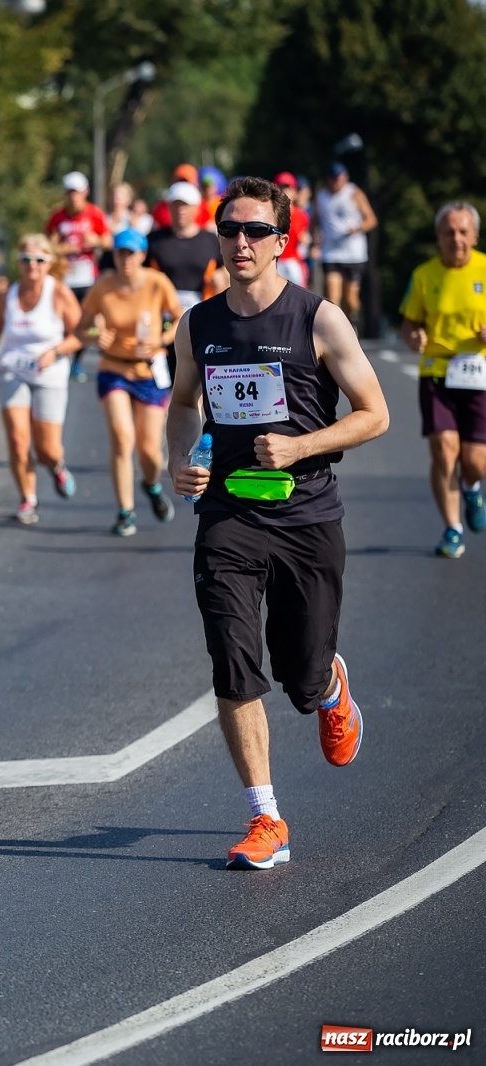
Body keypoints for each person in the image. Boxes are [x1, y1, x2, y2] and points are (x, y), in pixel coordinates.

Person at [168, 175, 388, 871]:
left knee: (301, 675)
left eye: (255, 230)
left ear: (281, 241)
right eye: (229, 229)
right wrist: (181, 459)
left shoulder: (318, 319)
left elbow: (375, 414)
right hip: (228, 511)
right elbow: (182, 402)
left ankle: (328, 687)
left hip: (305, 513)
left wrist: (300, 446)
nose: (240, 241)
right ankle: (266, 817)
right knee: (232, 658)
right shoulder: (198, 324)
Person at [78, 228, 183, 536]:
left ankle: (151, 485)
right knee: (123, 438)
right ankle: (126, 512)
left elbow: (180, 319)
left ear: (142, 255)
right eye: (120, 253)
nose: (126, 259)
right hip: (113, 369)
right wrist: (96, 336)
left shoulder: (157, 283)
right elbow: (81, 329)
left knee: (150, 451)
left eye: (132, 253)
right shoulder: (103, 287)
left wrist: (161, 340)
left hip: (149, 372)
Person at [398, 201, 486, 559]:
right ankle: (453, 528)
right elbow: (409, 325)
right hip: (437, 371)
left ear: (475, 236)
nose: (456, 239)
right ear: (438, 236)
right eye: (449, 232)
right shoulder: (424, 275)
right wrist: (414, 337)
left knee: (475, 460)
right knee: (443, 449)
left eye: (463, 232)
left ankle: (472, 487)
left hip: (478, 372)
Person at [0, 235, 83, 524]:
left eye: (39, 260)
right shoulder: (7, 297)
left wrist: (56, 351)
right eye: (26, 260)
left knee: (47, 448)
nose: (32, 265)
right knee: (17, 439)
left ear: (49, 263)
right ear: (19, 263)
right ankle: (28, 499)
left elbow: (81, 334)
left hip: (49, 373)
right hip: (12, 372)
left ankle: (56, 467)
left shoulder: (59, 293)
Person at [47, 171, 111, 382]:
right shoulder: (57, 216)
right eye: (69, 192)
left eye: (77, 192)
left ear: (85, 192)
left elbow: (109, 241)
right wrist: (61, 249)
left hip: (87, 277)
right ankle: (63, 355)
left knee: (87, 322)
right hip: (65, 277)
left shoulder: (94, 214)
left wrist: (97, 241)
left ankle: (77, 360)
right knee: (64, 320)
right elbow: (46, 246)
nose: (73, 197)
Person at [146, 181, 228, 314]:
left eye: (185, 205)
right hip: (161, 311)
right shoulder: (154, 239)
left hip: (203, 312)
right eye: (176, 205)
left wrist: (221, 276)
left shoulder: (211, 240)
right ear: (169, 207)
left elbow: (226, 268)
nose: (180, 210)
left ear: (196, 208)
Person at [314, 162, 378, 329]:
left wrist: (357, 228)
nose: (336, 182)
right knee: (332, 297)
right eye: (333, 178)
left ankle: (352, 324)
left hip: (353, 254)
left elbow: (371, 220)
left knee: (350, 299)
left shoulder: (354, 193)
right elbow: (316, 221)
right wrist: (315, 240)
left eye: (339, 178)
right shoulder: (322, 197)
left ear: (345, 178)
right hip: (331, 252)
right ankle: (334, 331)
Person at [273, 172, 313, 289]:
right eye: (281, 188)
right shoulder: (269, 214)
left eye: (288, 188)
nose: (284, 192)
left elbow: (304, 240)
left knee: (297, 295)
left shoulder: (301, 215)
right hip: (275, 261)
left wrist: (306, 239)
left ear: (295, 192)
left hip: (293, 262)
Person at [152, 164, 211, 230]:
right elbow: (155, 228)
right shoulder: (161, 208)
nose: (183, 185)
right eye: (180, 181)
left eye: (186, 182)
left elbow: (208, 227)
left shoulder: (203, 206)